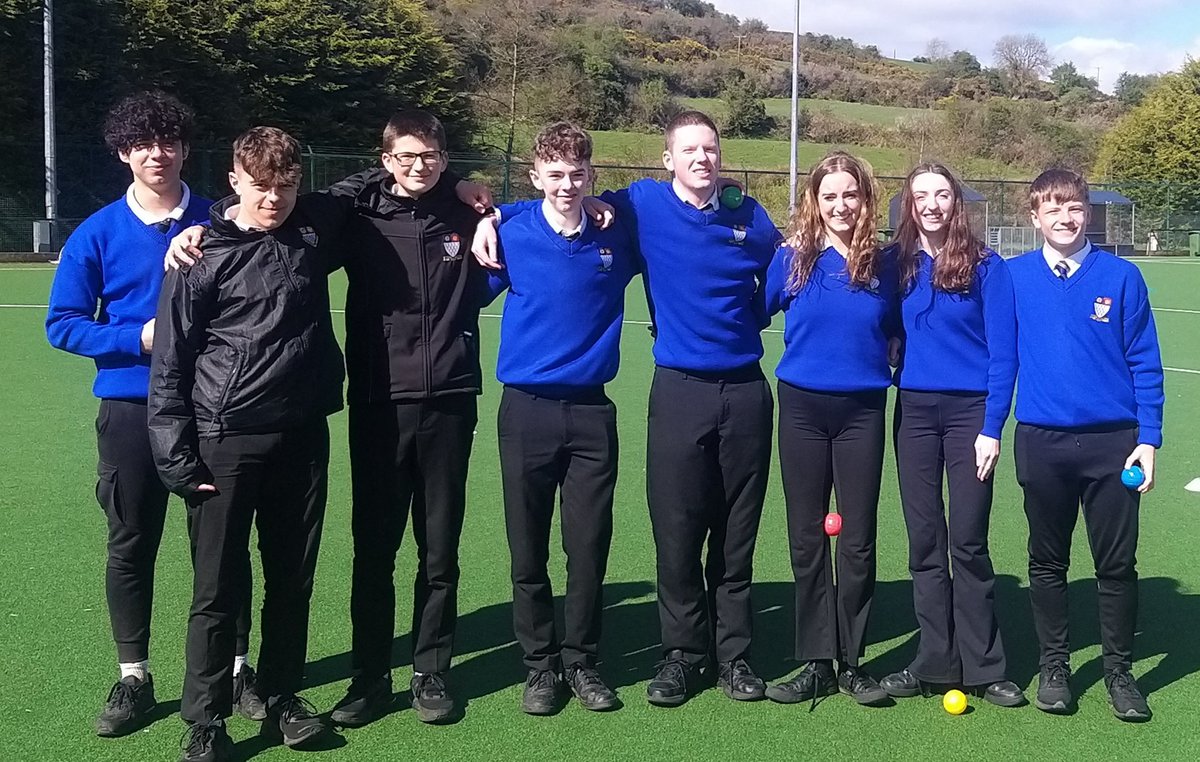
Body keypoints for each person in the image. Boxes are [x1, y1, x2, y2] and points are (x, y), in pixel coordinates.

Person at [44, 91, 263, 739]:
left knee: (221, 549)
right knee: (131, 545)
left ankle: (235, 668)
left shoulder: (223, 217)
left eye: (167, 142)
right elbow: (64, 325)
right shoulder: (97, 233)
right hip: (130, 413)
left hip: (211, 412)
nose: (156, 155)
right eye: (142, 144)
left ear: (185, 148)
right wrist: (137, 338)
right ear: (123, 153)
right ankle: (134, 675)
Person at [150, 126, 351, 761]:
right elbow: (171, 364)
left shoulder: (313, 229)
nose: (274, 200)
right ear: (234, 180)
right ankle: (205, 719)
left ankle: (283, 696)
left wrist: (469, 188)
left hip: (301, 436)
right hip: (222, 440)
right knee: (215, 589)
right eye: (261, 187)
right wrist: (175, 453)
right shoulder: (199, 253)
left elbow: (384, 181)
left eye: (287, 187)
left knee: (291, 579)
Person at [598, 111, 780, 706]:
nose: (703, 158)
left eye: (711, 148)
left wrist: (754, 315)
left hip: (746, 393)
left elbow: (786, 271)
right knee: (676, 529)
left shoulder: (749, 217)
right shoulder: (640, 205)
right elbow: (565, 207)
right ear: (668, 158)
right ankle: (682, 653)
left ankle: (734, 655)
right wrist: (491, 211)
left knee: (736, 534)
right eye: (690, 150)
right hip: (677, 390)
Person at [327, 110, 487, 727]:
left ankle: (431, 671)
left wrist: (464, 192)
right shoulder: (358, 214)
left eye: (431, 156)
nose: (418, 166)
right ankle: (369, 677)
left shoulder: (465, 212)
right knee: (374, 550)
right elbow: (307, 205)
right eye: (405, 157)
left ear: (445, 158)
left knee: (438, 549)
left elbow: (532, 212)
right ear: (386, 158)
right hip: (377, 405)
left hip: (449, 402)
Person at [479, 122, 638, 715]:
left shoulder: (614, 235)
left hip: (593, 412)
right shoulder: (511, 233)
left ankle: (582, 662)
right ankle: (540, 667)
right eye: (556, 174)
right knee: (528, 549)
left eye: (578, 174)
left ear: (591, 175)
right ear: (535, 175)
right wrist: (487, 217)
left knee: (589, 546)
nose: (567, 184)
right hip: (526, 410)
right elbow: (469, 292)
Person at [1007, 167, 1164, 722]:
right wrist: (990, 429)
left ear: (1088, 213)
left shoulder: (1122, 277)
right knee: (1047, 562)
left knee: (1116, 565)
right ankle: (1055, 667)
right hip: (1041, 443)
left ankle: (1120, 672)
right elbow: (1003, 361)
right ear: (1034, 217)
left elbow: (1146, 362)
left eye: (1073, 207)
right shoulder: (1014, 277)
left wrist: (1148, 439)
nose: (1064, 218)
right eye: (1051, 208)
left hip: (1113, 446)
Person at [877, 163, 1025, 707]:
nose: (933, 204)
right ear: (909, 205)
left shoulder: (988, 266)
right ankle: (934, 661)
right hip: (913, 413)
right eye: (922, 196)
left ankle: (986, 667)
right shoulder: (895, 263)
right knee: (924, 544)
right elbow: (885, 322)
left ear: (956, 202)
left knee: (967, 540)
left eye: (942, 194)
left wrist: (992, 428)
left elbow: (1004, 353)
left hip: (970, 418)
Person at [761, 151, 897, 707]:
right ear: (814, 203)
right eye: (829, 196)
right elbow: (747, 313)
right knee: (808, 536)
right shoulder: (793, 259)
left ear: (865, 199)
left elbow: (902, 326)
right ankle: (817, 660)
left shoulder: (887, 265)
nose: (841, 205)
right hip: (801, 409)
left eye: (851, 194)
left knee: (858, 539)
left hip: (862, 410)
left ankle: (852, 660)